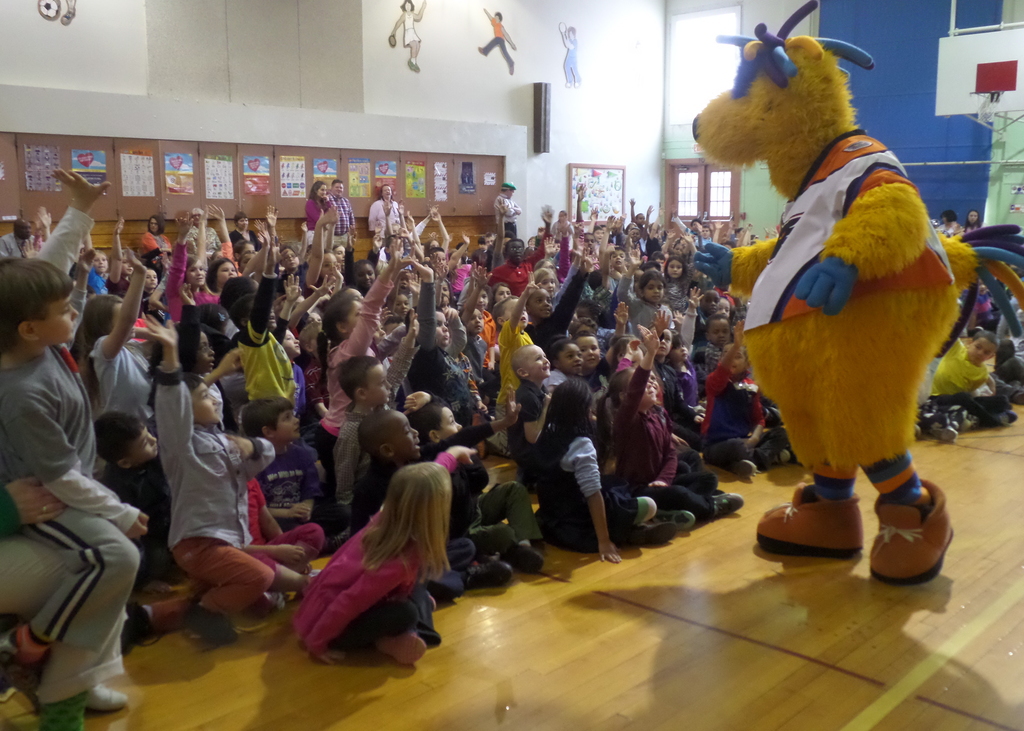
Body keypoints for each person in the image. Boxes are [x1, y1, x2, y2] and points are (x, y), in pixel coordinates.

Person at [0, 169, 141, 720]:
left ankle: (79, 676)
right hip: (45, 499)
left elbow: (46, 275)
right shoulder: (21, 389)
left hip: (60, 489)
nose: (74, 312)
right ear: (30, 330)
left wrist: (80, 209)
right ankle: (45, 669)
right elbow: (56, 478)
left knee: (109, 569)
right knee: (111, 561)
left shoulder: (29, 339)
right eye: (63, 313)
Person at [148, 316, 280, 647]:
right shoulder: (181, 442)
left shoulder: (222, 440)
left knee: (260, 604)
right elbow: (171, 400)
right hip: (198, 543)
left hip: (228, 542)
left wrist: (255, 446)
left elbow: (263, 456)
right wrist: (171, 355)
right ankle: (206, 611)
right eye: (208, 398)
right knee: (261, 578)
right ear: (186, 411)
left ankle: (158, 615)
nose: (216, 400)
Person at [293, 462, 451, 666]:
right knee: (407, 613)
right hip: (329, 625)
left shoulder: (387, 518)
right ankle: (389, 640)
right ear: (434, 510)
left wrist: (452, 456)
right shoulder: (399, 561)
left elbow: (424, 480)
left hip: (331, 605)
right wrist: (318, 643)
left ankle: (401, 631)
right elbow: (349, 602)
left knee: (418, 588)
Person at [600, 326, 740, 526]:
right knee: (680, 492)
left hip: (659, 481)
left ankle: (669, 510)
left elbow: (670, 453)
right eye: (644, 383)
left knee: (708, 479)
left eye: (652, 381)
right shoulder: (626, 420)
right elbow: (635, 387)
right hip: (638, 489)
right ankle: (711, 507)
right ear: (625, 397)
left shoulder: (659, 414)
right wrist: (649, 353)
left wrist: (664, 479)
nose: (651, 384)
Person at [529, 378, 677, 560]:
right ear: (584, 408)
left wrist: (546, 407)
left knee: (614, 483)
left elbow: (538, 431)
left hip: (552, 516)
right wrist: (604, 541)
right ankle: (635, 529)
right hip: (578, 519)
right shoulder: (581, 445)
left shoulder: (547, 432)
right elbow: (592, 494)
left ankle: (636, 531)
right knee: (649, 505)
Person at [241, 397, 349, 541]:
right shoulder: (255, 464)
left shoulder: (301, 454)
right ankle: (323, 543)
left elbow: (310, 490)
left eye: (292, 415)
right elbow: (257, 509)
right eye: (287, 418)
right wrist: (287, 513)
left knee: (343, 513)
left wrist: (306, 508)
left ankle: (309, 540)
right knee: (284, 526)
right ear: (268, 431)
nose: (296, 420)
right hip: (276, 518)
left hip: (299, 516)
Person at [94, 412, 173, 591]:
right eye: (145, 443)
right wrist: (143, 579)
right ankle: (141, 582)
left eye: (149, 434)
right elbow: (131, 535)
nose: (154, 440)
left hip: (171, 520)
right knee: (158, 561)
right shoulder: (118, 489)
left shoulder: (151, 455)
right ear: (125, 463)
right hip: (149, 536)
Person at [701, 322, 792, 478]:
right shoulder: (714, 380)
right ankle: (767, 459)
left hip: (746, 441)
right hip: (717, 445)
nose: (731, 360)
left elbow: (759, 419)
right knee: (735, 447)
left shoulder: (751, 387)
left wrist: (755, 438)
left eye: (737, 356)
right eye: (726, 355)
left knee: (781, 433)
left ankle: (744, 463)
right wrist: (736, 346)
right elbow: (723, 370)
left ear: (748, 364)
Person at [390, 0, 427, 73]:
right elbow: (399, 22)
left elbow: (419, 17)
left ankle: (413, 61)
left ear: (411, 6)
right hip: (408, 32)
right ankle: (412, 61)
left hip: (412, 32)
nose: (408, 6)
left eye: (409, 5)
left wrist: (423, 7)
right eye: (406, 5)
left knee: (418, 45)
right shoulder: (404, 15)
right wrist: (394, 31)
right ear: (404, 6)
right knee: (414, 45)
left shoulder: (412, 14)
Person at [479, 9, 517, 76]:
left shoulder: (500, 26)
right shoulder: (495, 23)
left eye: (496, 18)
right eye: (495, 18)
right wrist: (486, 11)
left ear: (499, 20)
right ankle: (485, 51)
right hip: (497, 39)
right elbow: (491, 17)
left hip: (501, 40)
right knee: (495, 44)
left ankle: (511, 63)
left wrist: (512, 44)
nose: (495, 19)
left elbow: (506, 35)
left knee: (504, 52)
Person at [326, 179, 356, 249]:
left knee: (346, 256)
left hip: (345, 236)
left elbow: (351, 215)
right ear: (331, 188)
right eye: (337, 187)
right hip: (332, 236)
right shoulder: (327, 200)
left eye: (341, 187)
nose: (339, 189)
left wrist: (352, 228)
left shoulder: (346, 201)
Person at [559, 22, 580, 88]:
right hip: (569, 57)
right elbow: (566, 44)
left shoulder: (575, 41)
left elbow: (570, 46)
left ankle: (578, 81)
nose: (570, 35)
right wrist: (563, 34)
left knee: (574, 69)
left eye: (571, 34)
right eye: (569, 34)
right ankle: (569, 81)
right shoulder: (570, 40)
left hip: (573, 57)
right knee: (566, 67)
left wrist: (565, 37)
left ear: (573, 34)